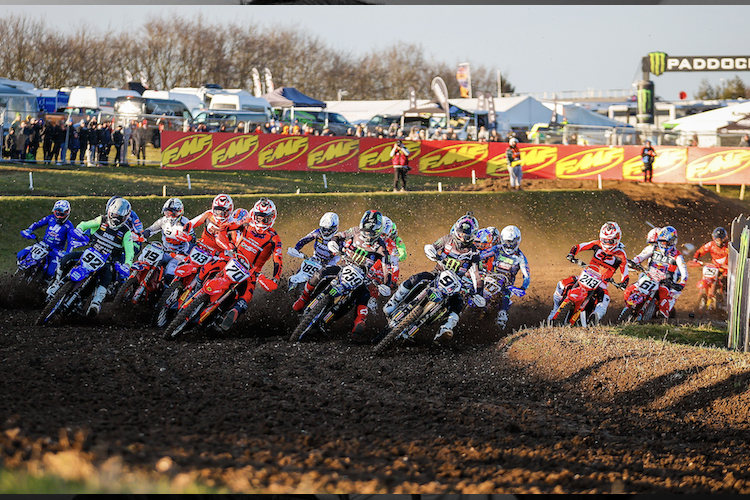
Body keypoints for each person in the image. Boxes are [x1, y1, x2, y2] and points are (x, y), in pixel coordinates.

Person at [383, 212, 484, 343]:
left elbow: (477, 275)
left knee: (458, 304)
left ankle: (445, 329)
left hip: (455, 284)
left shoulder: (474, 253)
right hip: (437, 273)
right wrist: (432, 252)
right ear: (456, 230)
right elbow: (433, 246)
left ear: (472, 236)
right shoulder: (448, 239)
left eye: (466, 235)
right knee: (417, 278)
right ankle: (393, 302)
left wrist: (479, 293)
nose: (463, 237)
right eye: (461, 233)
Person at [292, 209, 391, 342]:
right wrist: (333, 242)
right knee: (321, 273)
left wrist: (386, 283)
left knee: (364, 295)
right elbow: (339, 235)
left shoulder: (381, 247)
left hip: (362, 276)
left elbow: (387, 268)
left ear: (378, 232)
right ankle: (303, 298)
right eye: (365, 231)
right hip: (344, 266)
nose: (367, 234)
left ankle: (359, 323)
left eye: (371, 232)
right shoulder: (354, 231)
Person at [46, 198, 135, 317]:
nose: (116, 219)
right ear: (109, 212)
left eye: (120, 217)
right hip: (90, 252)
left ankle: (95, 303)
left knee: (106, 277)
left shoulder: (125, 231)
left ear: (126, 217)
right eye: (114, 215)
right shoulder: (101, 220)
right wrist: (79, 229)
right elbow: (85, 224)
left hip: (106, 260)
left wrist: (127, 265)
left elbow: (130, 251)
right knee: (65, 259)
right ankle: (57, 283)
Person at [218, 197, 283, 332]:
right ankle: (195, 291)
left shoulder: (273, 237)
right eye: (259, 217)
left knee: (246, 296)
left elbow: (278, 259)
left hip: (252, 272)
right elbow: (225, 228)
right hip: (234, 260)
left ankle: (234, 312)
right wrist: (228, 244)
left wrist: (275, 278)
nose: (262, 221)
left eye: (265, 218)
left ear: (272, 217)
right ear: (253, 215)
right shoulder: (246, 223)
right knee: (214, 268)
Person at [547, 222, 629, 325]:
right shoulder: (597, 244)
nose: (607, 243)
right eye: (604, 240)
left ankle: (594, 319)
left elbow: (625, 271)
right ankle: (555, 310)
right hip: (587, 274)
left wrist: (623, 283)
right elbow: (579, 246)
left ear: (617, 239)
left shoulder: (621, 254)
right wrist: (571, 254)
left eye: (610, 241)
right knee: (562, 284)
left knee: (604, 301)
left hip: (602, 283)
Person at [628, 225, 688, 319]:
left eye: (666, 243)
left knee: (663, 294)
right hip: (650, 277)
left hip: (666, 282)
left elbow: (684, 272)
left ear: (673, 242)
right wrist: (633, 263)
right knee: (630, 290)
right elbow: (640, 257)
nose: (664, 245)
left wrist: (681, 284)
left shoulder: (677, 256)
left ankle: (661, 319)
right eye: (662, 242)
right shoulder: (653, 249)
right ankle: (627, 308)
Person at [17, 200, 81, 283]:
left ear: (67, 213)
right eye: (57, 213)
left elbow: (71, 242)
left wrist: (67, 254)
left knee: (50, 272)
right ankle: (19, 272)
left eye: (61, 214)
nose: (58, 216)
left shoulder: (69, 226)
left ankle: (45, 287)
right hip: (42, 245)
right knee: (21, 254)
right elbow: (37, 224)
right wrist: (28, 230)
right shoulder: (50, 218)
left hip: (55, 251)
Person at [484, 225, 530, 329]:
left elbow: (526, 276)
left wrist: (523, 288)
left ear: (517, 241)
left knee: (505, 296)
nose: (508, 245)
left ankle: (502, 314)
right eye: (506, 242)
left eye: (511, 242)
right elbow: (482, 255)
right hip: (489, 278)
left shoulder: (520, 257)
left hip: (506, 286)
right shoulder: (497, 249)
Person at [141, 198, 195, 285]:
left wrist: (186, 254)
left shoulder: (186, 224)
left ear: (179, 212)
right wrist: (144, 234)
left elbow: (192, 241)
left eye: (172, 213)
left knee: (170, 273)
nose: (169, 215)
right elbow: (151, 229)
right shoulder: (163, 220)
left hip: (179, 254)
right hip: (165, 251)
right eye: (167, 212)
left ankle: (165, 294)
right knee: (146, 261)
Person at [691, 226, 729, 307]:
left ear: (725, 238)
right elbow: (700, 251)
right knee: (707, 278)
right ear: (714, 238)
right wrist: (695, 259)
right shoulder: (710, 245)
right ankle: (706, 295)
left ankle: (726, 300)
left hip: (726, 269)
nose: (719, 242)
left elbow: (735, 259)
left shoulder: (728, 247)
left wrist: (728, 266)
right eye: (717, 239)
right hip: (715, 267)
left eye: (721, 239)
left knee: (724, 281)